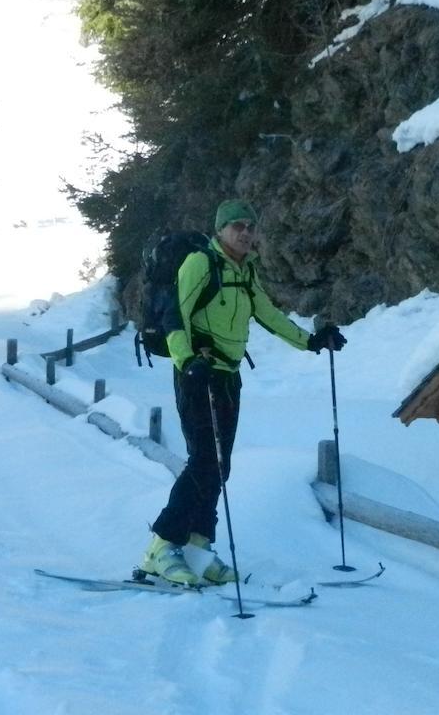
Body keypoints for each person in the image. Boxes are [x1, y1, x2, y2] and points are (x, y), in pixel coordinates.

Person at [140, 198, 346, 586]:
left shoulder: (246, 271)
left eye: (250, 226)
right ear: (220, 231)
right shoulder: (200, 264)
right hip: (198, 374)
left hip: (228, 376)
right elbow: (174, 318)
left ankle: (200, 548)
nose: (246, 233)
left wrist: (313, 341)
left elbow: (268, 314)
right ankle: (161, 546)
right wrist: (187, 362)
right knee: (203, 461)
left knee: (220, 465)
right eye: (237, 226)